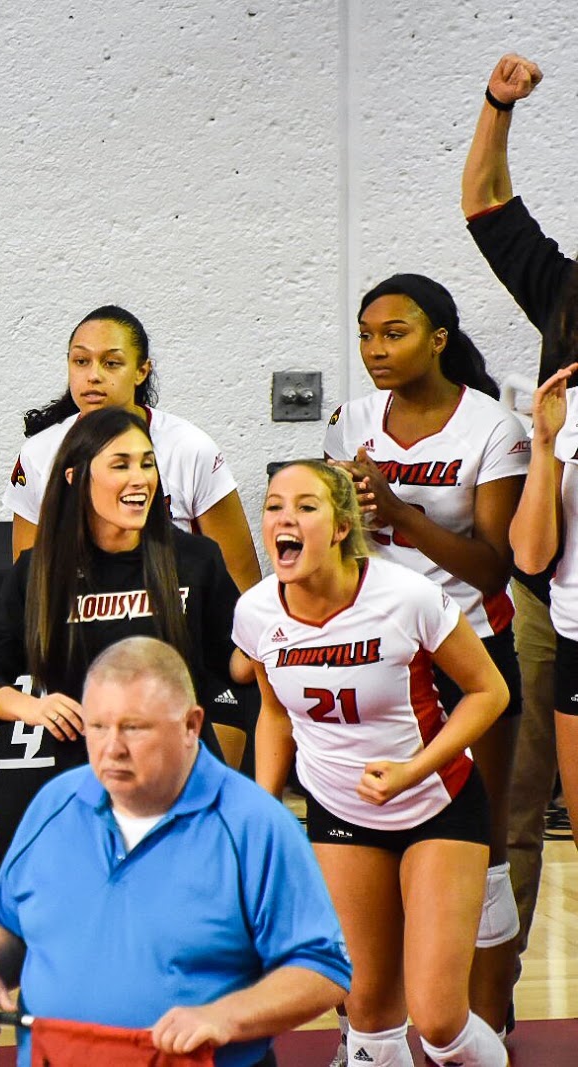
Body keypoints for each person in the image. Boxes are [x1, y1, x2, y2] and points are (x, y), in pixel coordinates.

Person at [0, 637, 349, 1067]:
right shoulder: (55, 804)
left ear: (192, 726)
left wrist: (226, 1016)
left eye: (133, 728)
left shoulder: (254, 825)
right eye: (97, 726)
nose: (111, 748)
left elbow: (323, 971)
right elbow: (6, 919)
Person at [236, 461, 510, 1067]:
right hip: (339, 811)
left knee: (439, 1021)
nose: (285, 518)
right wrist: (263, 799)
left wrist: (414, 768)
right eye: (275, 505)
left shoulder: (405, 595)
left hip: (436, 801)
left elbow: (490, 692)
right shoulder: (256, 613)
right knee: (368, 1016)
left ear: (340, 527)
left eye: (306, 506)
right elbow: (276, 714)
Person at [323, 273, 528, 1036]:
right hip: (373, 651)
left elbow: (493, 566)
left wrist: (398, 510)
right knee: (365, 841)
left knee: (486, 843)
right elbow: (334, 533)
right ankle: (369, 1031)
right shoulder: (352, 421)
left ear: (438, 338)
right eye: (366, 333)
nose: (376, 348)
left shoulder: (492, 428)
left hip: (468, 646)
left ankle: (487, 1022)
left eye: (394, 333)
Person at [460, 51, 568, 1016]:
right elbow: (486, 203)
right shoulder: (566, 292)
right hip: (549, 595)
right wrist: (498, 105)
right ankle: (493, 1005)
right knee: (518, 805)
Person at [0, 408, 241, 783]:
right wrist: (31, 707)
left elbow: (236, 668)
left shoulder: (196, 559)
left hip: (185, 779)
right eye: (120, 465)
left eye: (147, 464)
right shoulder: (39, 571)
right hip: (85, 779)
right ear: (75, 477)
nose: (139, 479)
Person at [2, 305, 259, 592]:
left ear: (141, 371)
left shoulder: (190, 448)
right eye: (81, 361)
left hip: (176, 626)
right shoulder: (38, 453)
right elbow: (28, 584)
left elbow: (242, 580)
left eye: (111, 363)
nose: (93, 376)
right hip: (77, 628)